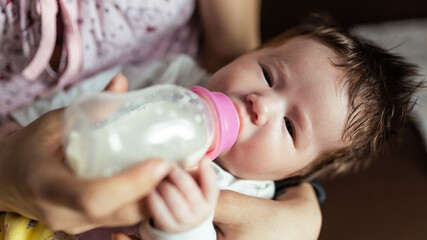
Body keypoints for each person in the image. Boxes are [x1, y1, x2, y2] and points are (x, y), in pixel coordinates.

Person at [4, 13, 421, 239]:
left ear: (295, 176)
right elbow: (88, 96)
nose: (262, 104)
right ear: (252, 52)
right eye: (269, 75)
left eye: (291, 128)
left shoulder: (248, 197)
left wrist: (183, 228)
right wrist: (20, 126)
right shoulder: (177, 72)